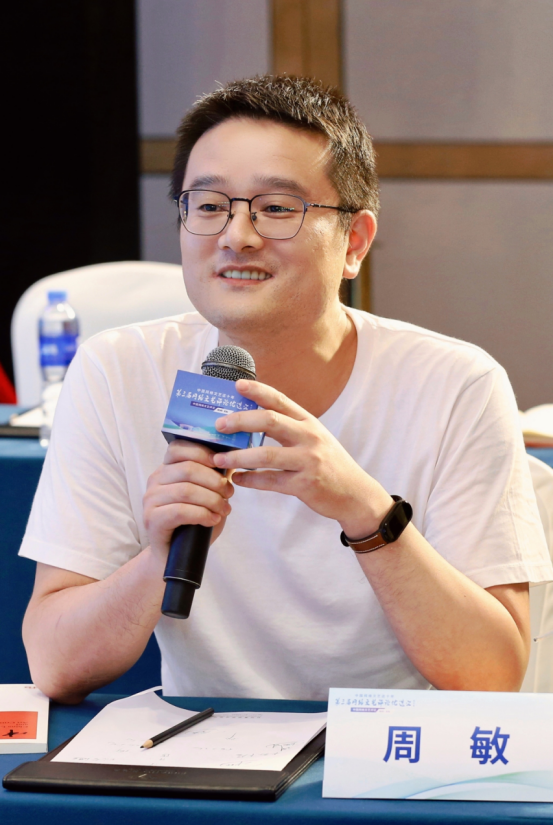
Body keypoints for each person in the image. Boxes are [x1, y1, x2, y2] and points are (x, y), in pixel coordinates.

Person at [21, 75, 552, 704]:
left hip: (390, 751)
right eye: (209, 206)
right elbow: (56, 665)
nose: (236, 236)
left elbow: (492, 676)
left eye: (276, 208)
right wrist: (157, 558)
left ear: (354, 242)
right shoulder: (117, 370)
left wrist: (367, 513)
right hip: (207, 748)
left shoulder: (456, 384)